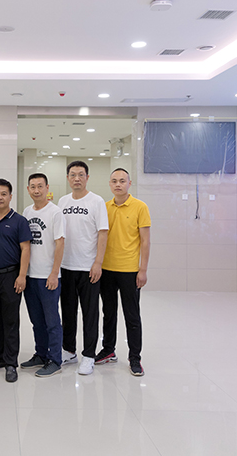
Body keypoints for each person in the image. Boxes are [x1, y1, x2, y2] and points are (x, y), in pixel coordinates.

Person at [97, 168, 151, 376]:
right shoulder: (104, 207)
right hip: (106, 270)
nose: (118, 184)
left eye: (122, 181)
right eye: (114, 181)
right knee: (108, 313)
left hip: (129, 271)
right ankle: (108, 350)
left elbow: (145, 241)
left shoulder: (140, 207)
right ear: (110, 184)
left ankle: (135, 357)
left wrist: (142, 270)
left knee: (132, 315)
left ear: (129, 183)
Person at [58, 160, 109, 376]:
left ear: (87, 177)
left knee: (90, 314)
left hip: (89, 268)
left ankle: (88, 355)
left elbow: (103, 233)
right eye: (73, 175)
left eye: (81, 174)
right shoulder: (62, 201)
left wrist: (98, 262)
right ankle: (69, 351)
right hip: (66, 266)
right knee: (68, 312)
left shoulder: (97, 201)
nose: (77, 178)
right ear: (67, 178)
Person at [0, 179, 32, 383]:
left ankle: (11, 363)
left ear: (10, 196)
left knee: (10, 321)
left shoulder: (19, 221)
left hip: (11, 276)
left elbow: (26, 249)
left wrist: (22, 275)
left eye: (3, 194)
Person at [21, 173, 65, 378]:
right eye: (33, 186)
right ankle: (40, 354)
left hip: (48, 276)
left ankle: (55, 359)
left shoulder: (55, 212)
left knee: (52, 321)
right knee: (36, 320)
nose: (36, 190)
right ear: (28, 189)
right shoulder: (27, 212)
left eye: (40, 186)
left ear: (47, 188)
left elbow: (60, 243)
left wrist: (54, 273)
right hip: (31, 276)